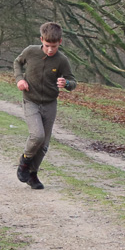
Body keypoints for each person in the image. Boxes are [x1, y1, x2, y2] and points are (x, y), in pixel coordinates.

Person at [14, 22, 77, 190]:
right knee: (37, 135)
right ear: (41, 40)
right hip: (31, 100)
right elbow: (17, 62)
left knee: (44, 145)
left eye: (54, 46)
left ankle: (32, 175)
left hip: (50, 103)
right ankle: (24, 162)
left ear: (60, 42)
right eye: (47, 45)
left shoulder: (62, 60)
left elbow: (73, 81)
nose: (50, 50)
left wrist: (67, 83)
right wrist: (19, 79)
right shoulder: (30, 51)